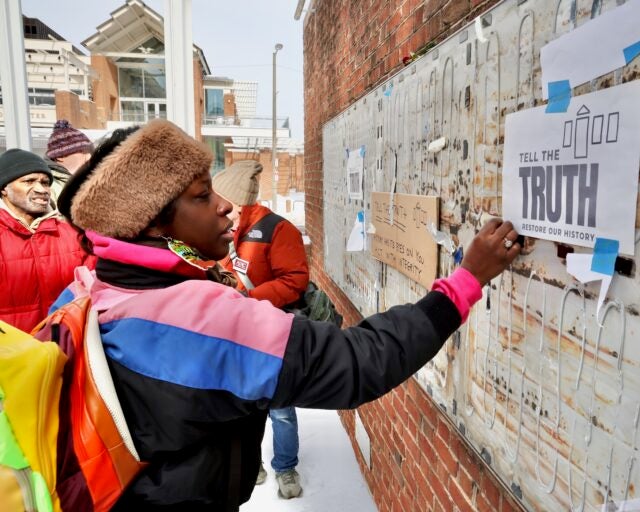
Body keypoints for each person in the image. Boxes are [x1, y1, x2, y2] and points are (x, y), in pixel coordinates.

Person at [53, 119, 522, 510]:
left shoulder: (86, 289)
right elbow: (358, 364)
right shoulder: (196, 316)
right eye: (201, 196)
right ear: (152, 221)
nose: (224, 205)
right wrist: (467, 280)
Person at [214, 160, 308, 499]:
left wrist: (249, 298)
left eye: (221, 200)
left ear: (240, 201)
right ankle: (252, 462)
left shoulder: (277, 230)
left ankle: (286, 466)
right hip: (232, 333)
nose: (216, 207)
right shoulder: (221, 228)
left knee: (280, 408)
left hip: (270, 333)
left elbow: (295, 281)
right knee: (241, 403)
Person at [0, 148, 94, 332]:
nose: (41, 189)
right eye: (29, 181)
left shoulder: (74, 235)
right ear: (4, 188)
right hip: (9, 353)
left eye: (45, 182)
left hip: (63, 347)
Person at [45, 119, 94, 203]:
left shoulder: (83, 181)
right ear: (61, 156)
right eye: (82, 151)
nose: (89, 157)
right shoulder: (48, 186)